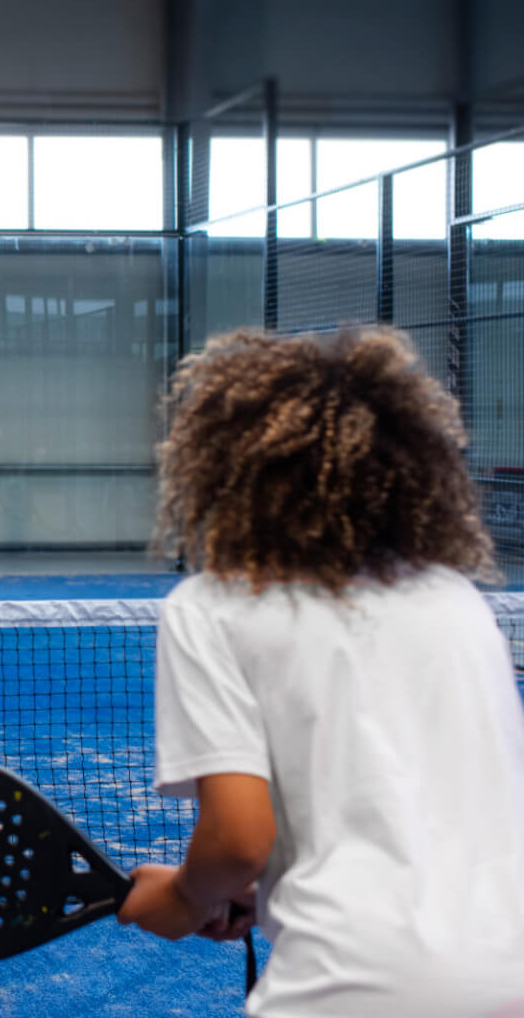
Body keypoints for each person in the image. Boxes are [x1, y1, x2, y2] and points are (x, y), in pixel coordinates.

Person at [120, 327, 524, 1016]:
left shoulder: (215, 608)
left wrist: (187, 897)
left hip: (353, 985)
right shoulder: (455, 599)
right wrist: (266, 888)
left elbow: (239, 839)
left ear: (223, 471)